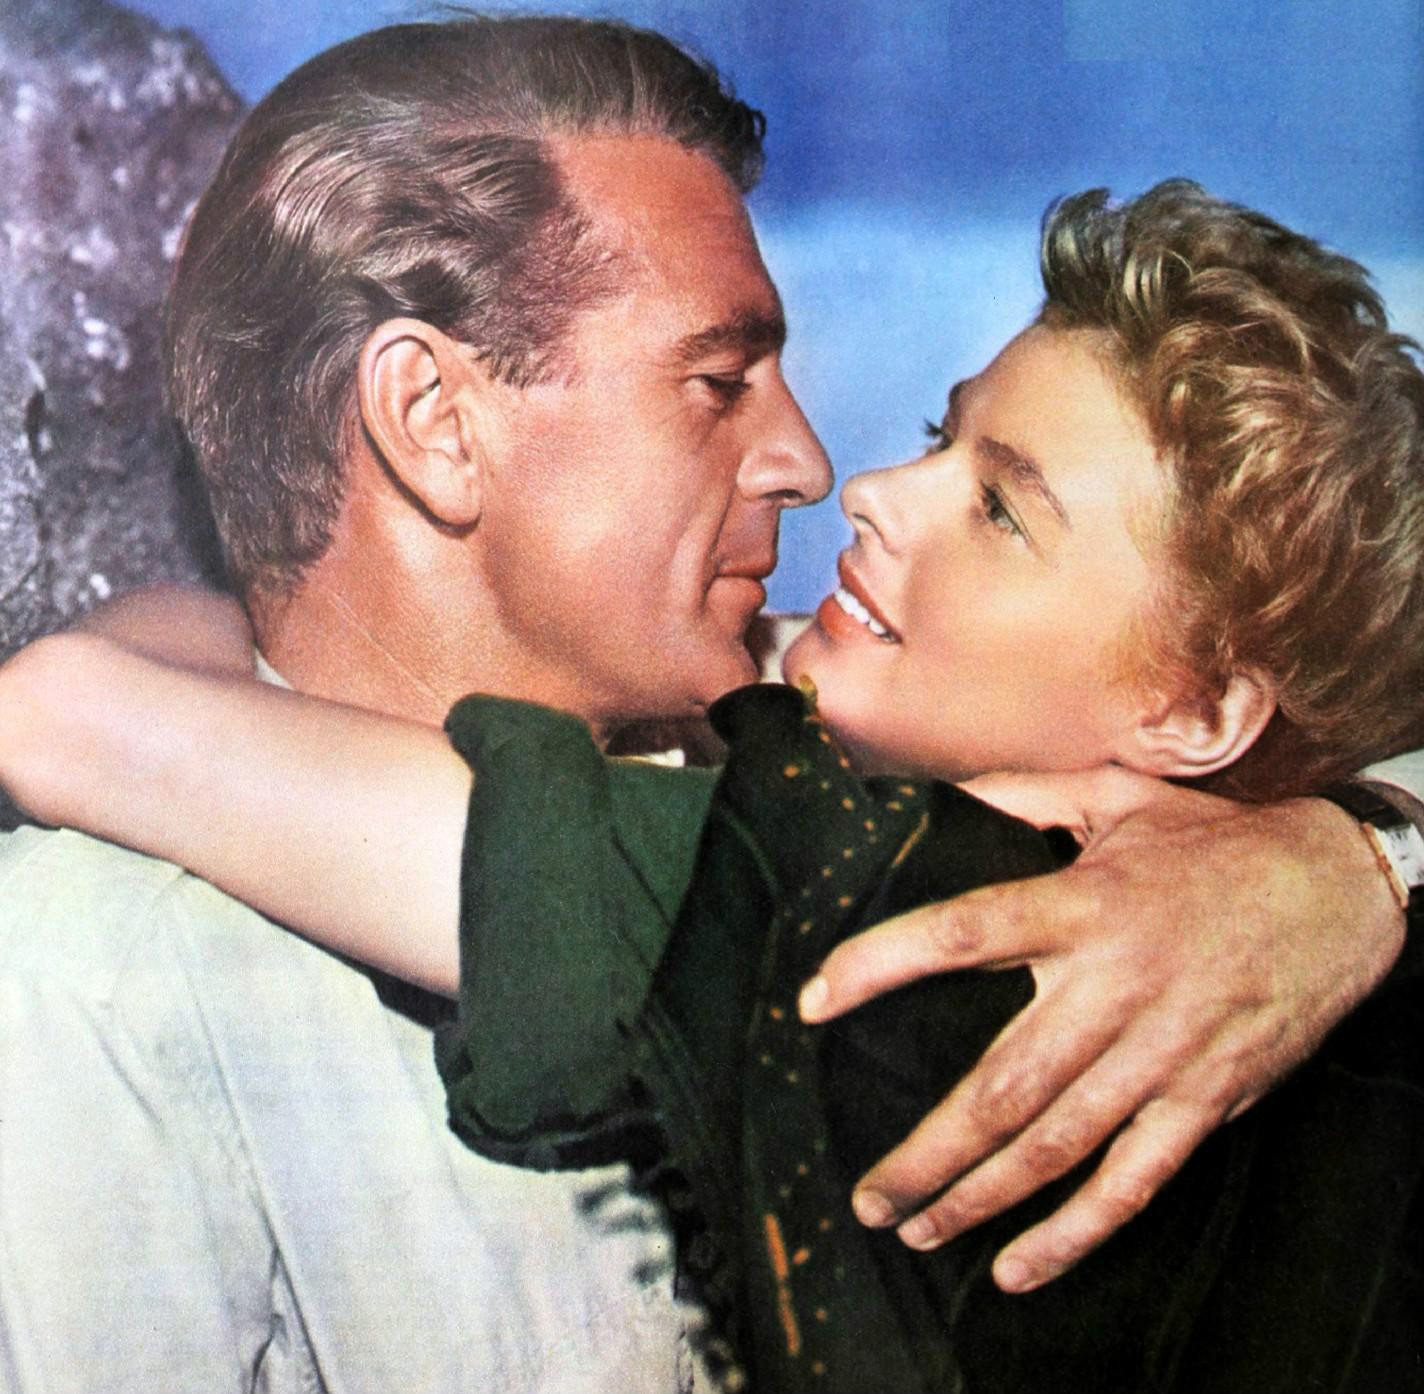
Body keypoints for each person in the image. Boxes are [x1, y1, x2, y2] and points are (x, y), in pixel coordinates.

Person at [6, 180, 1423, 1392]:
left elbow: (62, 713)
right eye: (942, 437)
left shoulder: (908, 927)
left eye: (1000, 508)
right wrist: (1355, 847)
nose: (873, 489)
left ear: (1197, 714)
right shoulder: (1284, 965)